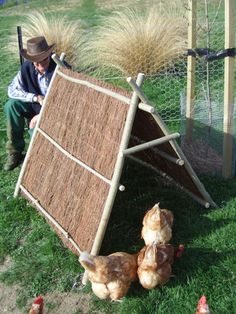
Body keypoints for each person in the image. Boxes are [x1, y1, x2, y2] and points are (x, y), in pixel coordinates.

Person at [4, 36, 56, 171]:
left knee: (35, 125)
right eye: (35, 62)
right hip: (35, 105)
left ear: (49, 55)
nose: (40, 66)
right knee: (11, 106)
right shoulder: (27, 67)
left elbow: (69, 100)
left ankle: (39, 157)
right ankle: (15, 152)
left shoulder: (60, 68)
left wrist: (40, 116)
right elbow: (11, 90)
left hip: (56, 110)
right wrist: (35, 97)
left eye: (43, 60)